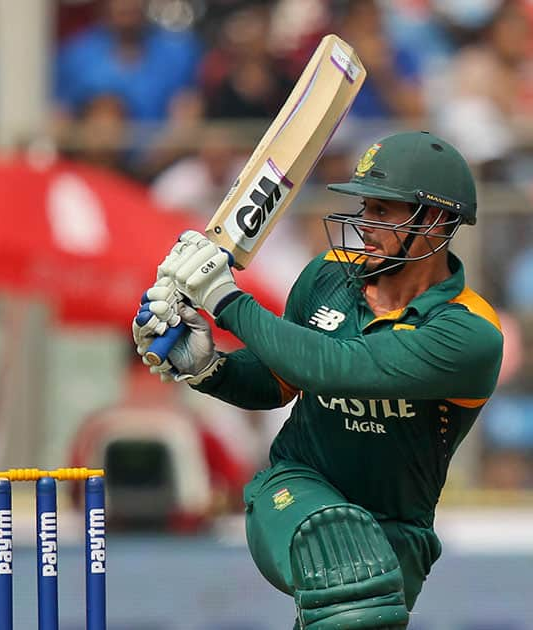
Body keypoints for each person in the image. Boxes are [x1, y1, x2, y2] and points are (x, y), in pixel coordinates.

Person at [133, 131, 503, 629]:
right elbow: (279, 381)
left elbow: (336, 368)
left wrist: (226, 300)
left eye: (382, 211)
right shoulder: (326, 275)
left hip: (396, 527)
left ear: (435, 221)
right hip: (296, 490)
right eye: (364, 207)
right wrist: (209, 367)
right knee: (337, 558)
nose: (363, 226)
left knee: (356, 599)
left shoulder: (468, 331)